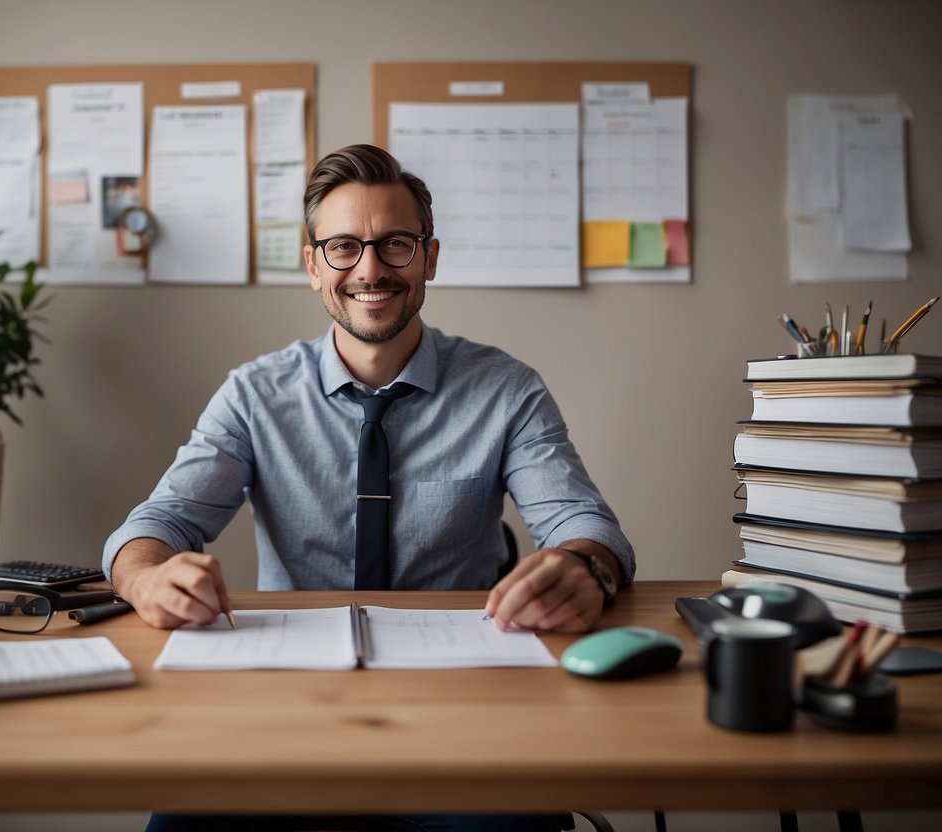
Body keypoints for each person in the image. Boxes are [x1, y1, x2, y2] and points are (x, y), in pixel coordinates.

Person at [103, 144, 634, 832]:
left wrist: (582, 566)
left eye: (395, 245)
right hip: (284, 705)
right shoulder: (253, 395)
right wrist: (145, 578)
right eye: (343, 247)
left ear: (430, 259)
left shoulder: (506, 390)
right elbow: (158, 523)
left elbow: (583, 524)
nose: (370, 269)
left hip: (464, 708)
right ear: (312, 266)